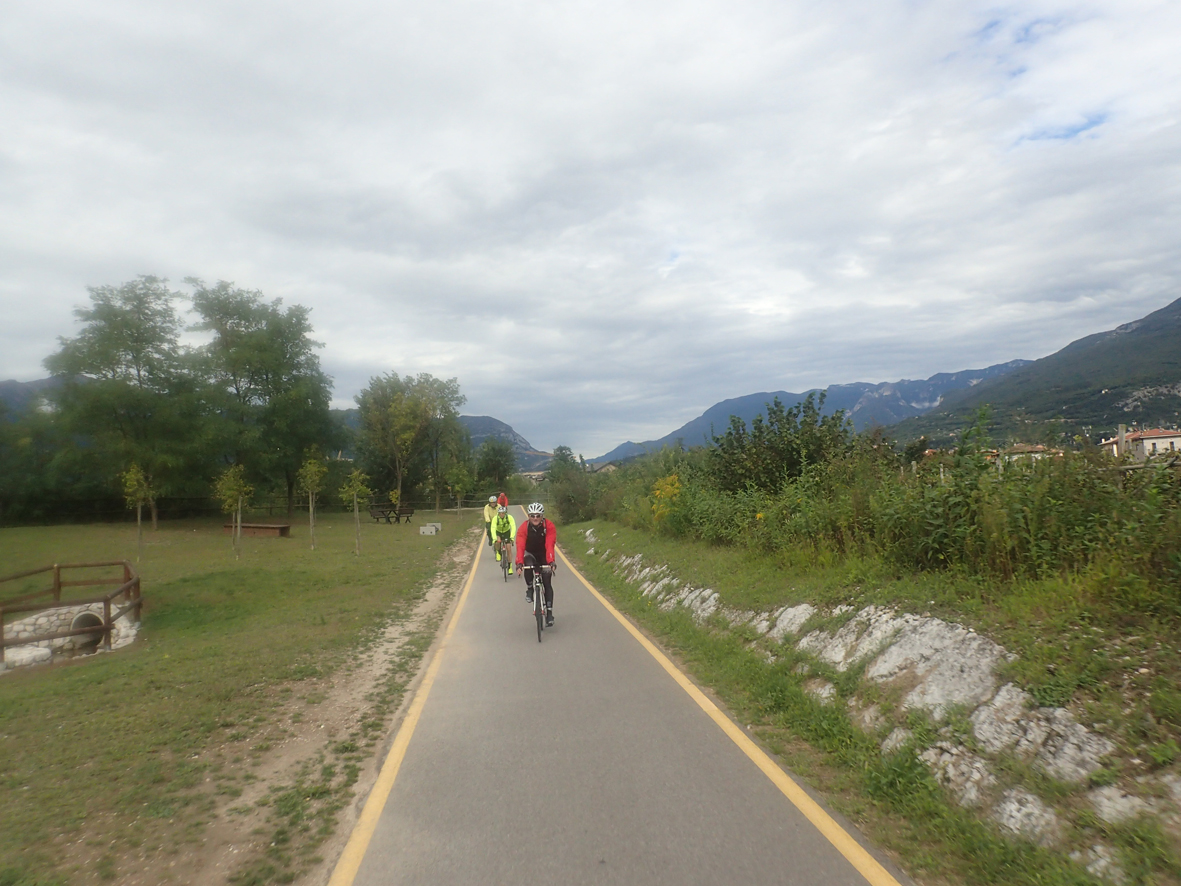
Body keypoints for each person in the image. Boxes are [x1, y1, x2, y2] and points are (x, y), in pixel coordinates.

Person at [516, 501, 557, 626]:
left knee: (547, 582)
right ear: (528, 516)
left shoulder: (548, 526)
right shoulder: (524, 528)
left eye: (538, 515)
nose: (535, 518)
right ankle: (530, 588)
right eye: (532, 516)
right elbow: (520, 546)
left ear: (542, 516)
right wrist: (519, 563)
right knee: (528, 564)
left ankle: (549, 613)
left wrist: (551, 561)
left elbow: (550, 545)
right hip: (530, 553)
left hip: (544, 554)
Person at [491, 505, 517, 573]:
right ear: (498, 513)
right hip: (498, 532)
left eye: (503, 513)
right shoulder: (495, 518)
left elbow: (513, 527)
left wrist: (512, 537)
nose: (502, 514)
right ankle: (498, 552)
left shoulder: (509, 517)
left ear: (505, 513)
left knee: (508, 548)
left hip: (506, 532)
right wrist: (494, 539)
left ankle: (510, 566)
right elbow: (493, 528)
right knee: (497, 541)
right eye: (500, 513)